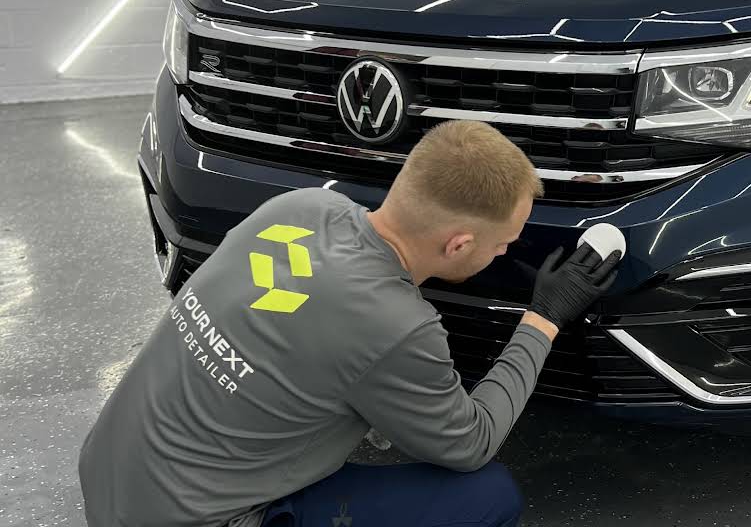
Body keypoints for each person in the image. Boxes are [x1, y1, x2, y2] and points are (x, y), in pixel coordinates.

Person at [78, 121, 620, 527]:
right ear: (458, 245)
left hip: (111, 478)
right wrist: (544, 318)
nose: (505, 251)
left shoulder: (301, 208)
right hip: (198, 521)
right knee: (486, 495)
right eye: (503, 241)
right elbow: (471, 442)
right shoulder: (397, 325)